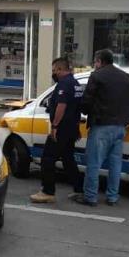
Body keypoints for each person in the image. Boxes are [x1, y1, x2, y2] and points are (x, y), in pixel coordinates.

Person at [72, 49, 129, 207]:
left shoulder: (96, 76)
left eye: (95, 62)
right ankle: (112, 196)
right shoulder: (126, 77)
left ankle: (90, 196)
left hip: (101, 126)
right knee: (115, 164)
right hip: (120, 127)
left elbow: (87, 99)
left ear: (100, 61)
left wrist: (84, 110)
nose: (94, 65)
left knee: (94, 163)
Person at [30, 58, 84, 203]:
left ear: (60, 70)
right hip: (71, 128)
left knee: (48, 158)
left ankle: (48, 191)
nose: (53, 73)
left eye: (55, 70)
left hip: (61, 128)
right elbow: (77, 108)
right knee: (68, 159)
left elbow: (62, 106)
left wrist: (54, 126)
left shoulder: (64, 84)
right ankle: (79, 189)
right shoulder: (76, 84)